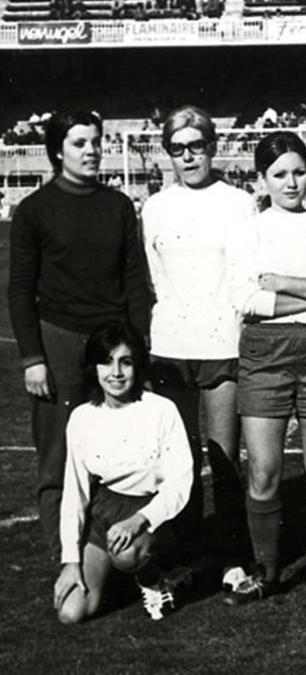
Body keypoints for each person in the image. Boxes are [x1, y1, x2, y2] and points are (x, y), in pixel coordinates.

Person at [8, 110, 151, 560]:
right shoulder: (33, 210)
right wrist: (34, 358)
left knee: (124, 449)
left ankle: (122, 549)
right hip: (59, 340)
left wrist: (136, 352)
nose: (91, 151)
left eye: (95, 141)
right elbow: (20, 291)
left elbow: (134, 285)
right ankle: (66, 558)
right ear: (57, 151)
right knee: (58, 457)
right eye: (79, 143)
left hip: (112, 345)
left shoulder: (118, 206)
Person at [221, 131, 306, 604]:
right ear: (262, 179)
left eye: (299, 172)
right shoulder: (247, 231)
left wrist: (280, 283)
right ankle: (269, 571)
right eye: (279, 174)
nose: (291, 182)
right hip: (263, 353)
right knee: (263, 471)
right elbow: (245, 300)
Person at [142, 105, 257, 565]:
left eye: (197, 146)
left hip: (223, 344)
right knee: (180, 462)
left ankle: (231, 559)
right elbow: (155, 278)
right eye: (177, 149)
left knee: (225, 458)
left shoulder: (238, 203)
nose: (188, 157)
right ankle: (188, 558)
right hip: (170, 346)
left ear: (212, 147)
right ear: (168, 153)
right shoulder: (155, 208)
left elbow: (246, 275)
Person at [54, 324, 192, 623]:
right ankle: (118, 575)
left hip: (151, 514)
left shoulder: (161, 410)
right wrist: (70, 562)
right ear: (94, 367)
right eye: (106, 361)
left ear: (137, 366)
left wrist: (138, 520)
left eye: (125, 362)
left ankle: (155, 580)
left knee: (127, 553)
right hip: (104, 512)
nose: (115, 373)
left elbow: (180, 483)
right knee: (71, 612)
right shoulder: (82, 417)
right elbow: (74, 493)